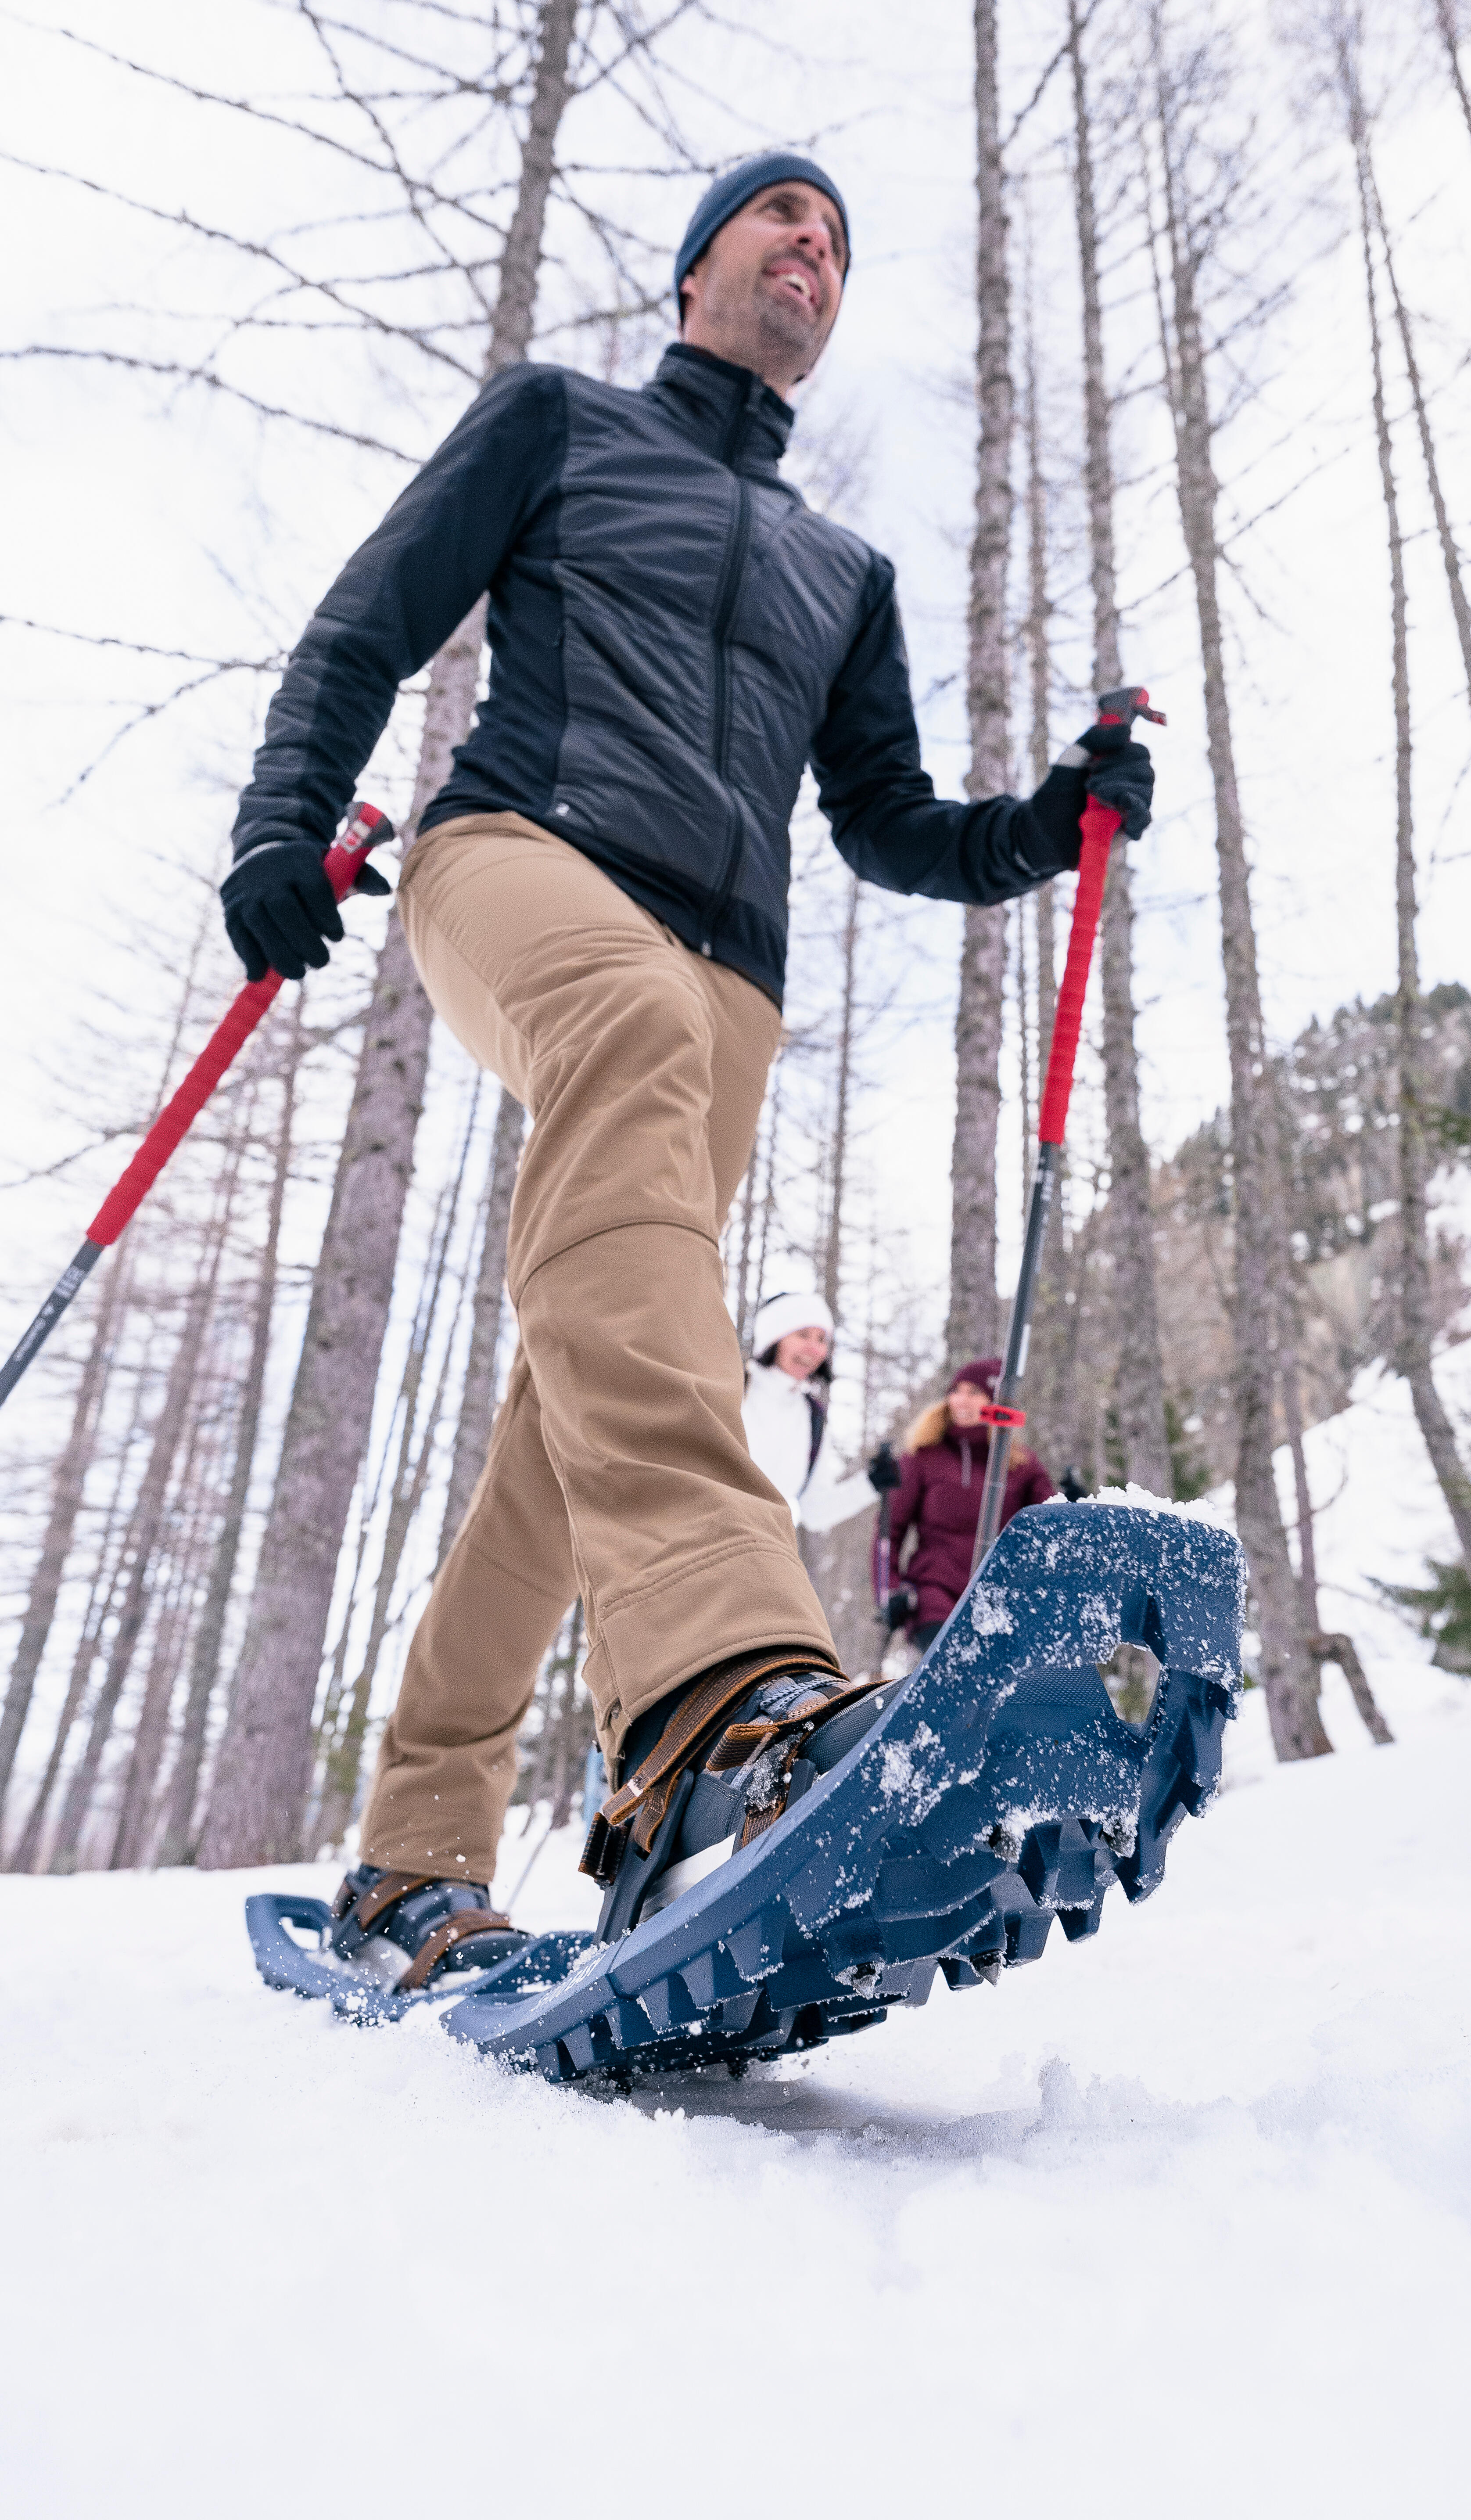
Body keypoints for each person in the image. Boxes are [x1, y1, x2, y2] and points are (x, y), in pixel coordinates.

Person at [219, 149, 1154, 1986]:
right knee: (633, 1074)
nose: (816, 244)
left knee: (567, 1429)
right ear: (696, 270)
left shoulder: (842, 570)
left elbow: (890, 828)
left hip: (725, 983)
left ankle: (415, 1863)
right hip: (521, 863)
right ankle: (714, 1708)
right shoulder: (558, 425)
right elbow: (364, 626)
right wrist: (279, 829)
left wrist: (1046, 826)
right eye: (784, 217)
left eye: (842, 237)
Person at [872, 1359, 1056, 1667]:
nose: (961, 1400)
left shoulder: (1021, 1464)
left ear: (996, 1402)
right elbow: (889, 1530)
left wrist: (1073, 1504)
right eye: (956, 1391)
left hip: (1000, 1594)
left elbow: (1049, 1520)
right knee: (956, 1671)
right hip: (934, 1593)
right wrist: (889, 1591)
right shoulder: (924, 1456)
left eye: (974, 1392)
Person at [740, 1289, 876, 1535]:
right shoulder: (733, 1387)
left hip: (763, 1552)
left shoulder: (812, 1416)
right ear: (774, 1338)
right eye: (803, 1335)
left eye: (822, 1339)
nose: (815, 1350)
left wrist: (871, 1484)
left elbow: (816, 1512)